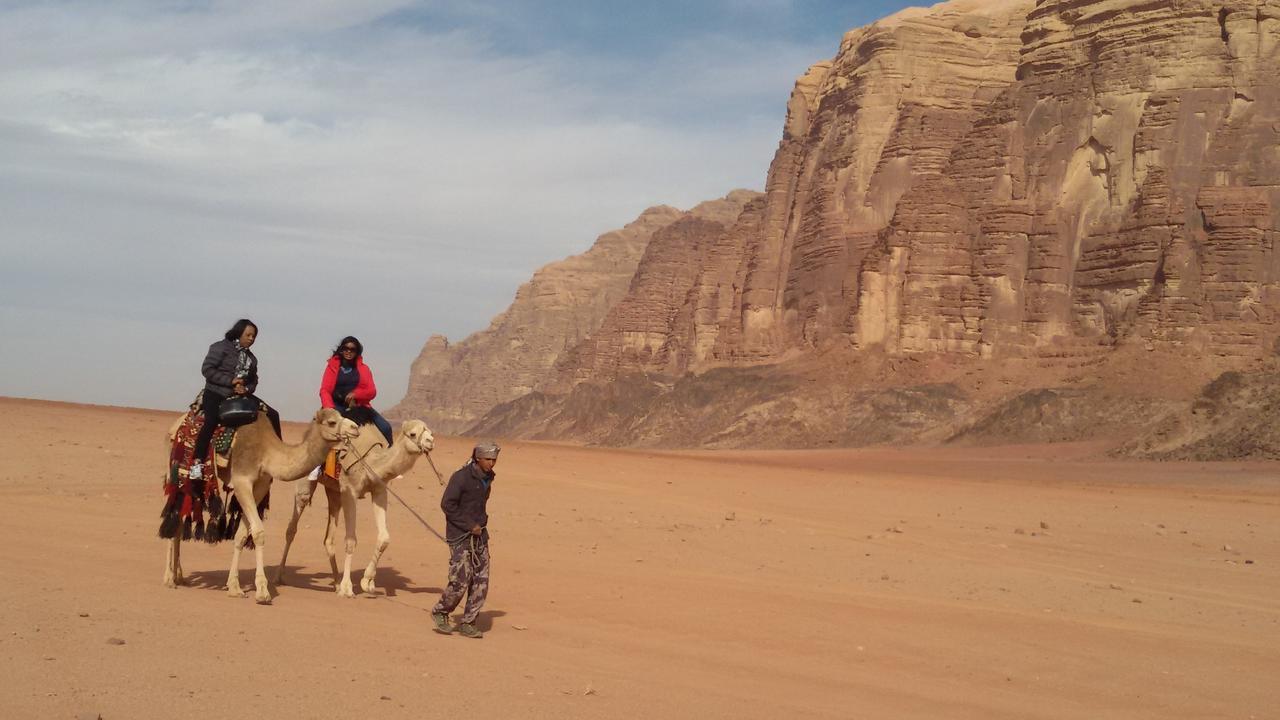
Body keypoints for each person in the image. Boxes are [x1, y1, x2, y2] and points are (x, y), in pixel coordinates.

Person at [189, 318, 281, 481]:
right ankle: (197, 463)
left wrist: (246, 389)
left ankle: (278, 456)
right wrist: (230, 382)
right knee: (211, 421)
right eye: (248, 335)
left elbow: (253, 380)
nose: (251, 339)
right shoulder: (220, 348)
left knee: (273, 414)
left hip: (241, 395)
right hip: (216, 392)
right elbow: (207, 370)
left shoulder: (252, 359)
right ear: (239, 333)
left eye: (254, 336)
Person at [431, 441, 499, 639]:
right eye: (488, 459)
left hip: (480, 536)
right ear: (478, 458)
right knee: (461, 579)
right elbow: (447, 505)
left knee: (481, 581)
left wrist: (479, 525)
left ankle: (469, 622)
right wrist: (469, 525)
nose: (492, 463)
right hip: (460, 535)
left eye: (494, 460)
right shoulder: (461, 477)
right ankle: (441, 611)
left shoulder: (489, 477)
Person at [318, 335, 394, 445]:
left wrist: (356, 394)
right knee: (323, 434)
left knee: (385, 427)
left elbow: (372, 391)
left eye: (352, 349)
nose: (349, 352)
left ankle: (389, 456)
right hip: (335, 406)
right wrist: (329, 409)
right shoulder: (332, 367)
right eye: (346, 349)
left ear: (357, 352)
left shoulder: (364, 369)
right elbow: (324, 390)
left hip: (359, 407)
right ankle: (321, 462)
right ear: (341, 350)